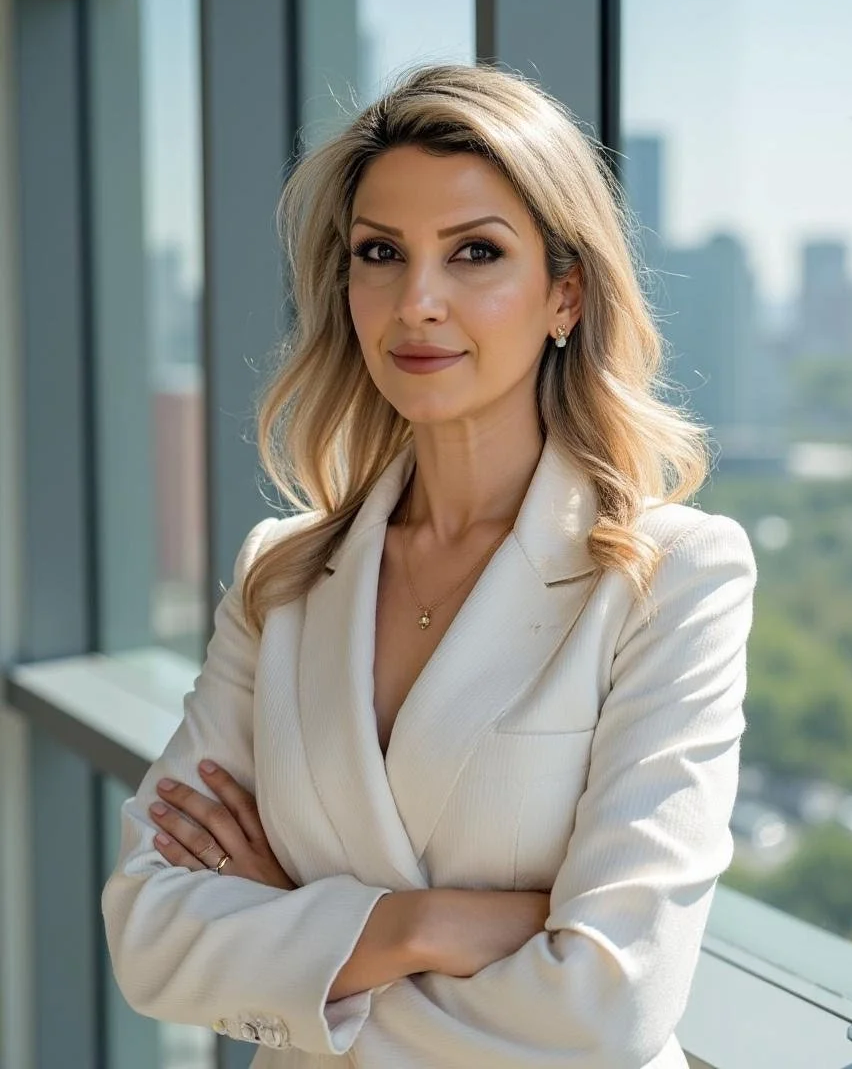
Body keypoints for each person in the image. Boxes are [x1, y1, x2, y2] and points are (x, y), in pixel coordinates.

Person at [102, 62, 757, 1068]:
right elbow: (149, 933)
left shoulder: (671, 577)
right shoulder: (281, 576)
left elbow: (609, 1005)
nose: (417, 301)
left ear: (565, 294)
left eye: (475, 253)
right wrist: (420, 925)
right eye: (381, 253)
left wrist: (299, 930)